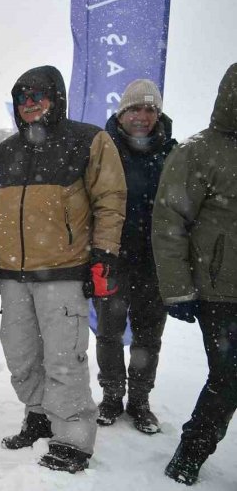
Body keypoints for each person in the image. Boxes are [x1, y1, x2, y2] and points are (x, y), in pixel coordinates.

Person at [0, 65, 126, 473]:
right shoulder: (6, 151)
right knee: (21, 355)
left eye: (38, 95)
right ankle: (38, 414)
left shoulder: (87, 140)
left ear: (56, 97)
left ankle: (73, 438)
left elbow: (110, 197)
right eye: (22, 97)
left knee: (65, 358)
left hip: (64, 271)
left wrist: (104, 253)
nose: (29, 104)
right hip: (13, 276)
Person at [153, 62, 237, 486]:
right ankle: (191, 452)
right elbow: (169, 222)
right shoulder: (199, 150)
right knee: (229, 378)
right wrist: (178, 291)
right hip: (220, 291)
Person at [94, 79, 177, 433]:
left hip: (156, 262)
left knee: (148, 336)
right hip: (113, 258)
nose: (143, 116)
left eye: (150, 109)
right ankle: (112, 396)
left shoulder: (174, 154)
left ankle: (140, 401)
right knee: (109, 333)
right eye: (135, 109)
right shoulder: (102, 150)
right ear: (122, 113)